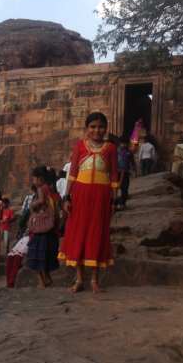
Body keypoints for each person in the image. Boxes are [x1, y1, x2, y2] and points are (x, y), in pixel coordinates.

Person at [59, 112, 118, 293]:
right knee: (79, 233)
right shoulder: (80, 146)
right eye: (92, 127)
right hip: (81, 195)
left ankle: (94, 279)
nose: (96, 130)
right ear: (87, 129)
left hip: (101, 196)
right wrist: (67, 197)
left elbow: (114, 175)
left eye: (100, 127)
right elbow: (73, 173)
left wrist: (114, 200)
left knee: (97, 234)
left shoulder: (110, 148)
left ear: (106, 129)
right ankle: (78, 279)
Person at [27, 166, 60, 289]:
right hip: (49, 226)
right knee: (46, 254)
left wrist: (32, 205)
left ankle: (41, 281)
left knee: (37, 255)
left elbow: (40, 201)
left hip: (41, 226)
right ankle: (47, 278)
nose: (33, 181)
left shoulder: (41, 188)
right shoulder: (50, 189)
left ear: (40, 179)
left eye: (34, 179)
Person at [117, 136, 135, 209]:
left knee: (124, 188)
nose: (123, 145)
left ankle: (122, 203)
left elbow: (132, 161)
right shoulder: (116, 151)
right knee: (114, 188)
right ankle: (115, 203)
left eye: (125, 143)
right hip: (117, 172)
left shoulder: (129, 152)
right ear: (120, 143)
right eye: (122, 143)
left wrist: (134, 169)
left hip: (125, 172)